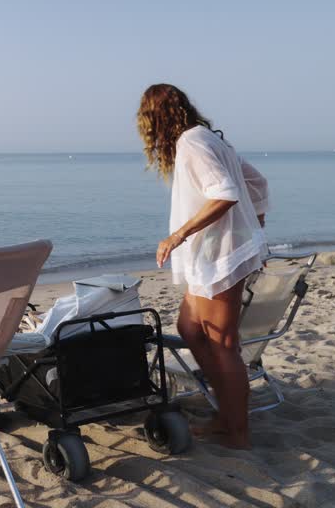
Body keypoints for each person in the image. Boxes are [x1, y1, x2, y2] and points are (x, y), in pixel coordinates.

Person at [136, 84, 269, 450]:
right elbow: (257, 184)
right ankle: (224, 415)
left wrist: (177, 235)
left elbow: (226, 193)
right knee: (190, 328)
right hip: (215, 254)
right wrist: (252, 227)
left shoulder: (192, 143)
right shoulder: (210, 138)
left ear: (152, 121)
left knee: (223, 344)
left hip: (220, 258)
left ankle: (237, 433)